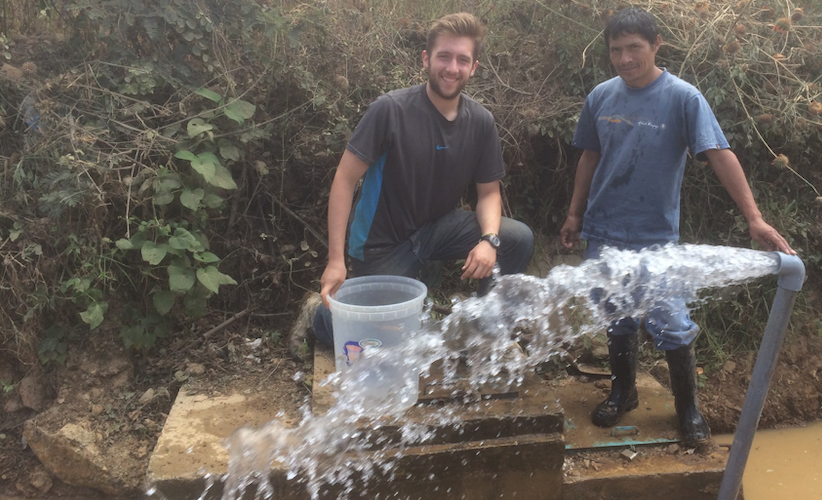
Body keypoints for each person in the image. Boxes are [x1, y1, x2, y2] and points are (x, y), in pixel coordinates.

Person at [559, 7, 795, 446]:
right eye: (616, 50)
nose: (625, 58)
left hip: (655, 235)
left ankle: (689, 410)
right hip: (604, 230)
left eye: (634, 48)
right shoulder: (601, 97)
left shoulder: (683, 98)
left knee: (670, 321)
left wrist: (754, 218)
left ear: (656, 45)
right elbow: (589, 157)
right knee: (617, 318)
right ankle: (623, 392)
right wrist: (575, 214)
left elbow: (720, 153)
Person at [290, 13, 534, 359]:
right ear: (426, 59)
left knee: (516, 239)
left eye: (462, 59)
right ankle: (319, 315)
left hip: (438, 229)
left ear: (474, 67)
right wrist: (335, 261)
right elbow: (344, 180)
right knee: (382, 345)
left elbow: (489, 193)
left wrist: (488, 240)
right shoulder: (390, 111)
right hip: (382, 244)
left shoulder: (480, 122)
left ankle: (486, 335)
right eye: (444, 57)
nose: (452, 68)